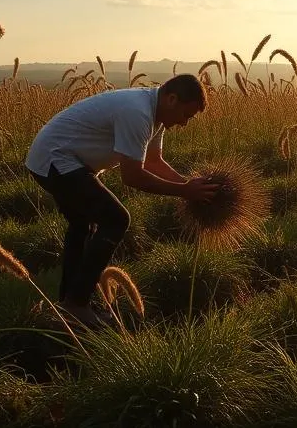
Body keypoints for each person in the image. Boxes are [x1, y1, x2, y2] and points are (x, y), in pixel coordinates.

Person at [25, 73, 219, 328]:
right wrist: (185, 192)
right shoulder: (138, 113)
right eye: (186, 115)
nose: (184, 123)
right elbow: (133, 176)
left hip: (60, 160)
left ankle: (70, 304)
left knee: (83, 225)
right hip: (55, 160)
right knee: (116, 219)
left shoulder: (155, 115)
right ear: (172, 99)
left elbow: (152, 162)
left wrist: (188, 184)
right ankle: (76, 305)